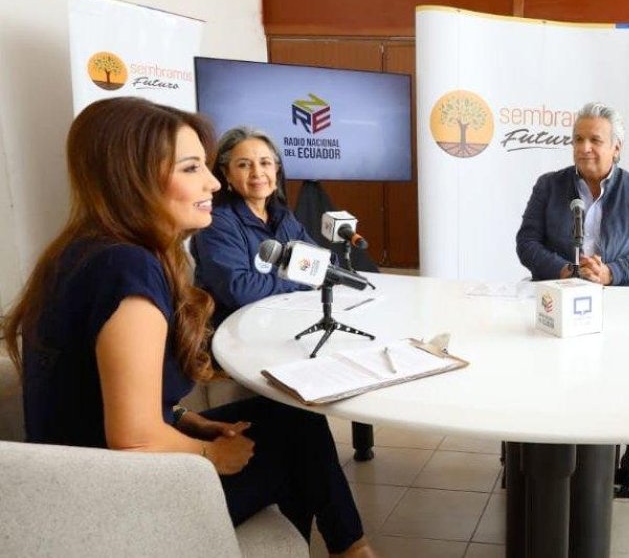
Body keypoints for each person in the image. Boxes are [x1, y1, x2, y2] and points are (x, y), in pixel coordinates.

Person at [3, 98, 375, 557]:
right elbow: (134, 439)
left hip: (81, 477)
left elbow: (96, 395)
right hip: (113, 502)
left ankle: (349, 549)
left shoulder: (83, 251)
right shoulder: (127, 271)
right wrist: (210, 455)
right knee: (297, 452)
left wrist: (189, 421)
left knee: (295, 420)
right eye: (191, 168)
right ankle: (352, 550)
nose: (213, 182)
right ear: (134, 179)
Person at [516, 102, 629, 285]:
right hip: (559, 291)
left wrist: (611, 273)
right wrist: (564, 270)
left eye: (595, 140)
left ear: (616, 148)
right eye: (578, 139)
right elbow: (527, 243)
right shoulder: (548, 186)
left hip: (617, 293)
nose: (584, 148)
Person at [192, 126, 322, 327]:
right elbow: (239, 289)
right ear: (226, 174)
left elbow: (323, 263)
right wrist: (301, 279)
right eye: (244, 165)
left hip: (281, 323)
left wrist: (312, 273)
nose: (257, 173)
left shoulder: (283, 217)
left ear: (276, 170)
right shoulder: (216, 223)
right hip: (232, 333)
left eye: (265, 163)